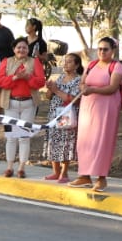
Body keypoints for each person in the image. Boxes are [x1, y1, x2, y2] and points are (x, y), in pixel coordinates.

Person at [69, 37, 122, 193]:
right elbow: (82, 81)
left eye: (105, 49)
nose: (101, 52)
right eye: (99, 49)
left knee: (102, 141)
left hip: (106, 109)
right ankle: (85, 175)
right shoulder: (92, 64)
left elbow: (113, 87)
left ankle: (101, 178)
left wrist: (93, 90)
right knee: (84, 140)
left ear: (112, 50)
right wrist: (84, 88)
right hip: (88, 108)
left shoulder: (117, 66)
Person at [0, 38, 46, 178]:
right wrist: (15, 78)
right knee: (11, 137)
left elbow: (41, 82)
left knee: (24, 137)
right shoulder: (6, 61)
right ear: (14, 49)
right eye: (19, 47)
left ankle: (22, 167)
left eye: (24, 47)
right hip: (10, 103)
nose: (21, 50)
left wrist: (29, 77)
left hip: (28, 104)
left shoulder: (34, 62)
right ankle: (10, 166)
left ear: (28, 50)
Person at [43, 52, 82, 183]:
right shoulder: (59, 77)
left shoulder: (78, 80)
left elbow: (74, 100)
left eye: (70, 61)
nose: (66, 64)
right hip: (54, 113)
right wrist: (49, 88)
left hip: (67, 113)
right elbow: (48, 96)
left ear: (77, 65)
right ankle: (55, 171)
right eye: (65, 61)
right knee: (53, 140)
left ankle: (64, 173)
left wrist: (56, 90)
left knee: (65, 142)